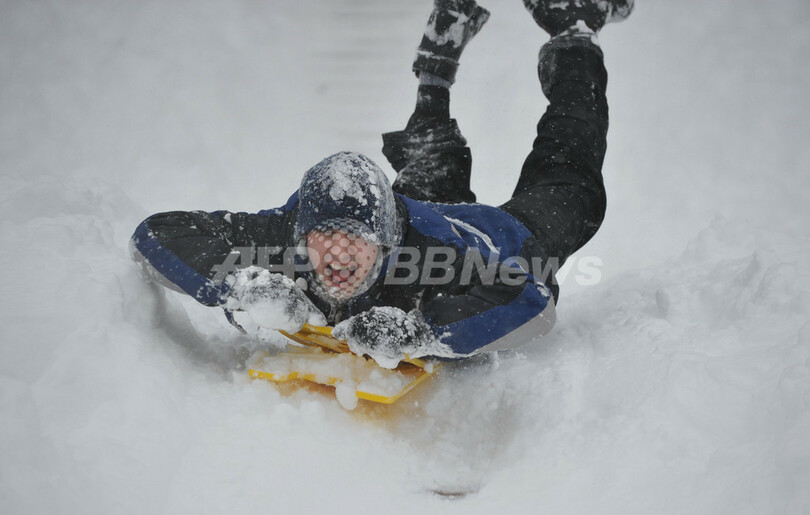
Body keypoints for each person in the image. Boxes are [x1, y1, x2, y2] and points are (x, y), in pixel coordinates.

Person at [130, 0, 633, 367]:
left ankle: (575, 30)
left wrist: (420, 331)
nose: (338, 256)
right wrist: (240, 286)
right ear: (300, 233)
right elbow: (157, 232)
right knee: (430, 168)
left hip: (506, 235)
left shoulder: (439, 258)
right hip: (418, 206)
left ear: (388, 240)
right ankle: (435, 71)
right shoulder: (283, 236)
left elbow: (530, 300)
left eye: (355, 240)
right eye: (324, 239)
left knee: (570, 169)